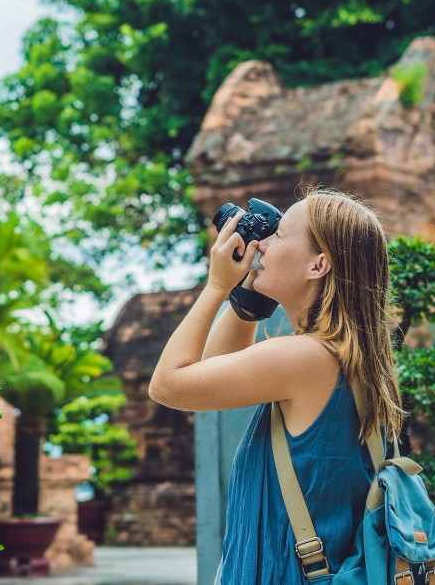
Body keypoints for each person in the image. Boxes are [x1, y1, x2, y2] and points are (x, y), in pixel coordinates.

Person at [148, 186, 406, 584]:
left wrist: (217, 286)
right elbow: (215, 375)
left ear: (318, 266)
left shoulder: (304, 357)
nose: (262, 246)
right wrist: (249, 296)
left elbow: (168, 385)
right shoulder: (345, 357)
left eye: (279, 234)